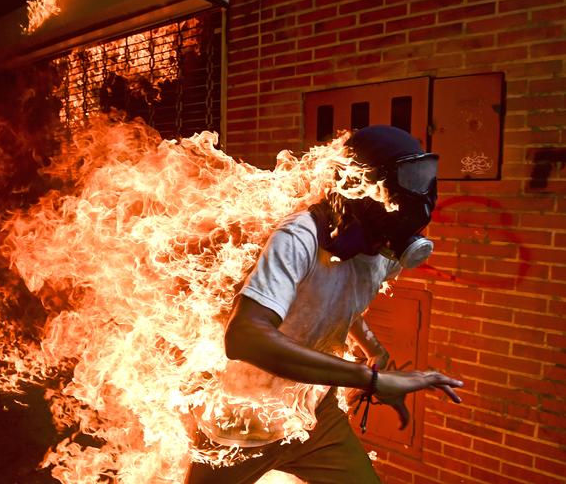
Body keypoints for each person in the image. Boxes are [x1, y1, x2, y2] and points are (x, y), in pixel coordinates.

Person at [186, 125, 463, 484]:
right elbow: (244, 336)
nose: (419, 193)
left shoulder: (384, 250)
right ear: (360, 184)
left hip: (314, 412)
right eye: (410, 177)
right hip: (244, 423)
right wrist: (372, 379)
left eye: (425, 176)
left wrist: (375, 351)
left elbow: (338, 303)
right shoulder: (299, 237)